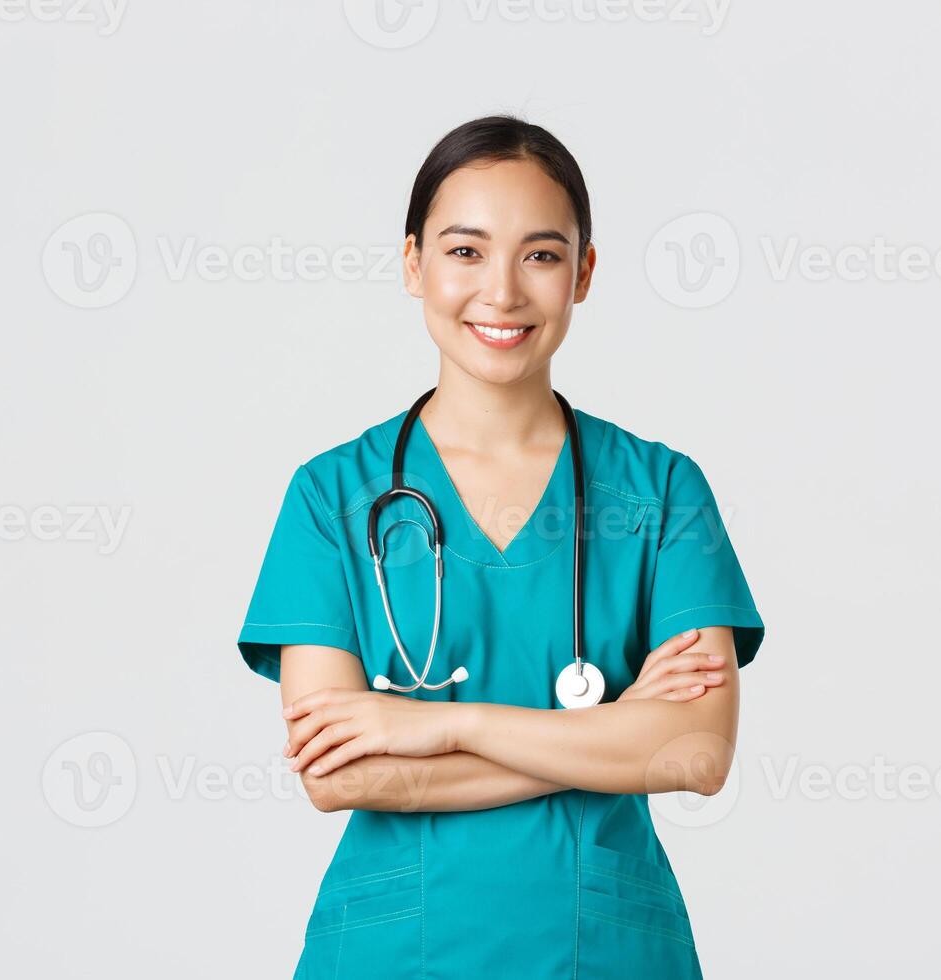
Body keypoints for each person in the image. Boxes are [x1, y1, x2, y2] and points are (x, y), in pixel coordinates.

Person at [237, 115, 765, 978]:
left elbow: (696, 754)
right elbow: (339, 775)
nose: (502, 293)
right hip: (392, 950)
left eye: (542, 255)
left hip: (602, 951)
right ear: (412, 264)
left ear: (583, 273)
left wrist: (439, 725)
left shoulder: (662, 492)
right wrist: (610, 732)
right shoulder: (331, 496)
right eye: (465, 251)